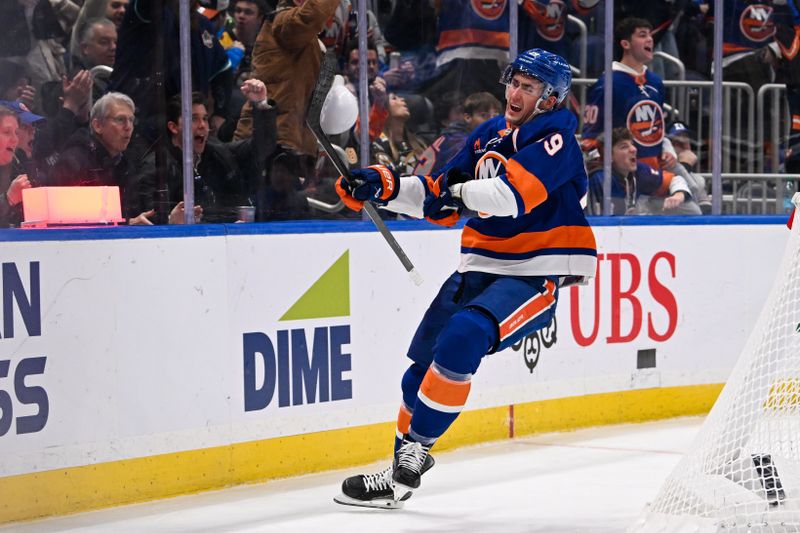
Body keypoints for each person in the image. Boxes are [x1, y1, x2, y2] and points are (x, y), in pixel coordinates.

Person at [332, 49, 597, 508]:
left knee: (465, 335)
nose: (514, 92)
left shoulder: (557, 140)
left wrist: (450, 197)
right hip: (479, 265)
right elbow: (436, 193)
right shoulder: (488, 136)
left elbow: (507, 196)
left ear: (550, 99)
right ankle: (397, 478)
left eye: (528, 87)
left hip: (534, 273)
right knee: (419, 371)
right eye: (514, 81)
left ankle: (416, 453)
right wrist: (383, 187)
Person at [138, 79, 277, 223]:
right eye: (194, 119)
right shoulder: (156, 167)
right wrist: (170, 221)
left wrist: (261, 104)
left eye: (205, 118)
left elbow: (263, 146)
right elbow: (146, 220)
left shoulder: (217, 153)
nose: (203, 125)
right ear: (173, 127)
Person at [233, 0, 340, 157]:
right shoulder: (282, 23)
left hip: (289, 141)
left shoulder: (302, 37)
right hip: (273, 141)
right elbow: (310, 16)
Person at [582, 17, 676, 173]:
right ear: (625, 44)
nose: (650, 40)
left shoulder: (655, 81)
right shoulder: (607, 83)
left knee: (694, 186)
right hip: (624, 172)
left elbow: (657, 128)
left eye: (650, 35)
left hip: (656, 169)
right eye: (642, 35)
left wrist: (667, 149)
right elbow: (591, 136)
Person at [49, 92, 154, 224]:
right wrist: (127, 224)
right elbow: (72, 222)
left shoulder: (126, 163)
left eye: (131, 120)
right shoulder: (73, 162)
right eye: (120, 119)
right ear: (98, 126)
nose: (128, 127)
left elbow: (134, 214)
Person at [586, 127, 701, 216]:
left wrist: (679, 195)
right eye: (624, 147)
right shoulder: (599, 178)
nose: (634, 149)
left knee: (691, 209)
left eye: (632, 145)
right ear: (608, 155)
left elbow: (675, 179)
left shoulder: (637, 171)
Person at [414, 91, 502, 176]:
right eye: (484, 115)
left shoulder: (457, 136)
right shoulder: (458, 142)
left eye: (495, 115)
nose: (492, 120)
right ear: (468, 117)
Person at [0, 105, 32, 227]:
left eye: (16, 133)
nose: (15, 140)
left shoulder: (16, 167)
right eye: (7, 132)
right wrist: (9, 199)